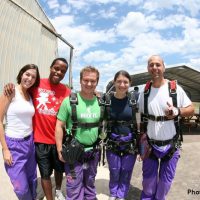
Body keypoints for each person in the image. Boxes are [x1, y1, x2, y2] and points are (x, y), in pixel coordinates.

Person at [4, 58, 70, 200]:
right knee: (44, 173)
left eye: (63, 71)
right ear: (51, 67)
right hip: (39, 140)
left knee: (59, 169)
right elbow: (21, 87)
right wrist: (9, 85)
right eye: (56, 68)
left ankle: (58, 190)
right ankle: (49, 197)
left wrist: (93, 92)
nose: (58, 72)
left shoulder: (67, 91)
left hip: (58, 140)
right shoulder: (37, 84)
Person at [138, 55, 194, 200]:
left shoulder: (174, 89)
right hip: (150, 145)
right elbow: (136, 112)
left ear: (164, 67)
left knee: (165, 182)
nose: (154, 68)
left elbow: (191, 109)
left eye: (158, 64)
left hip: (171, 145)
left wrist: (177, 111)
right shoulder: (144, 92)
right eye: (151, 65)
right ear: (148, 68)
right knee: (148, 182)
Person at [55, 66, 101, 200]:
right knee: (74, 186)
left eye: (93, 81)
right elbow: (59, 125)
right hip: (73, 153)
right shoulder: (69, 101)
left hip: (93, 152)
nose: (89, 83)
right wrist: (59, 150)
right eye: (86, 80)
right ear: (80, 81)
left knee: (90, 183)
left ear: (97, 82)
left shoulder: (101, 102)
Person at [0, 64, 40, 200]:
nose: (29, 78)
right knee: (20, 187)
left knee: (32, 180)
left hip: (30, 143)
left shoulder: (30, 95)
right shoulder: (10, 92)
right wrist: (5, 149)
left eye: (33, 77)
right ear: (21, 74)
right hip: (13, 145)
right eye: (27, 74)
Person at [105, 70, 138, 200]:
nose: (122, 84)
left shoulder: (134, 101)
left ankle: (121, 194)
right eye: (119, 81)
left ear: (130, 83)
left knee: (126, 170)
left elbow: (140, 120)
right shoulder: (106, 100)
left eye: (125, 82)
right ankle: (113, 193)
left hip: (130, 141)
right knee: (114, 170)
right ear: (114, 82)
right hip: (112, 141)